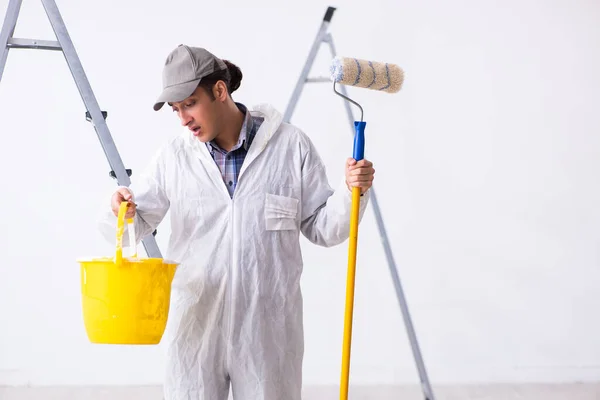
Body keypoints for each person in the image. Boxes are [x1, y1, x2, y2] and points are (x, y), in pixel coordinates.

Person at [98, 44, 375, 400]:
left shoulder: (290, 147)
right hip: (195, 325)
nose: (183, 118)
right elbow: (128, 229)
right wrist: (121, 209)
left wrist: (353, 192)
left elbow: (325, 228)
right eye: (176, 109)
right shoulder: (174, 157)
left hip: (268, 331)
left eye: (190, 103)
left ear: (219, 91)